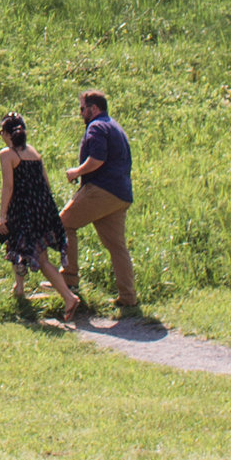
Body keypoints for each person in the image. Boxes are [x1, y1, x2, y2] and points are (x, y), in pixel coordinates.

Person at [59, 89, 141, 316]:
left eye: (82, 108)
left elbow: (97, 160)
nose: (80, 113)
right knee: (117, 247)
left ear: (94, 109)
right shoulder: (114, 126)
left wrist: (76, 172)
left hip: (102, 190)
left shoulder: (96, 127)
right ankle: (128, 297)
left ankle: (69, 278)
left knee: (64, 224)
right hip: (121, 194)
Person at [0, 109, 71, 309]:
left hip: (23, 209)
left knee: (40, 257)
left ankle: (69, 298)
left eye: (1, 133)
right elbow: (45, 182)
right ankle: (19, 288)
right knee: (18, 247)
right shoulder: (34, 153)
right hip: (43, 208)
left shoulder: (7, 154)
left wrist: (2, 216)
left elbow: (8, 187)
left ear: (7, 134)